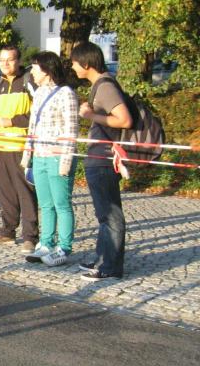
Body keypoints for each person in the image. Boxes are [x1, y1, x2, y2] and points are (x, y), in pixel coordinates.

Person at [72, 42, 133, 281]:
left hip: (105, 158)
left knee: (110, 214)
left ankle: (111, 267)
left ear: (86, 63)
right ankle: (102, 258)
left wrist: (91, 115)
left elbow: (124, 120)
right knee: (103, 214)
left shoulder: (106, 86)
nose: (73, 67)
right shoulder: (100, 85)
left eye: (75, 63)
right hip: (98, 157)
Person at [20, 52, 79, 267]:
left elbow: (72, 129)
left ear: (47, 69)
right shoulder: (39, 93)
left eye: (35, 68)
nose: (32, 73)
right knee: (45, 205)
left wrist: (66, 160)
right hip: (40, 156)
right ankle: (45, 243)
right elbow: (32, 127)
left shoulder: (66, 94)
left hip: (57, 156)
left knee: (61, 204)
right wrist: (28, 155)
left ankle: (64, 247)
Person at [0, 45, 38, 252]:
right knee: (6, 192)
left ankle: (30, 236)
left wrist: (12, 121)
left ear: (18, 61)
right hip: (1, 145)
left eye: (10, 59)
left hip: (22, 146)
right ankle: (7, 232)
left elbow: (38, 113)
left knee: (25, 192)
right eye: (2, 60)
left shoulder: (28, 82)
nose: (5, 64)